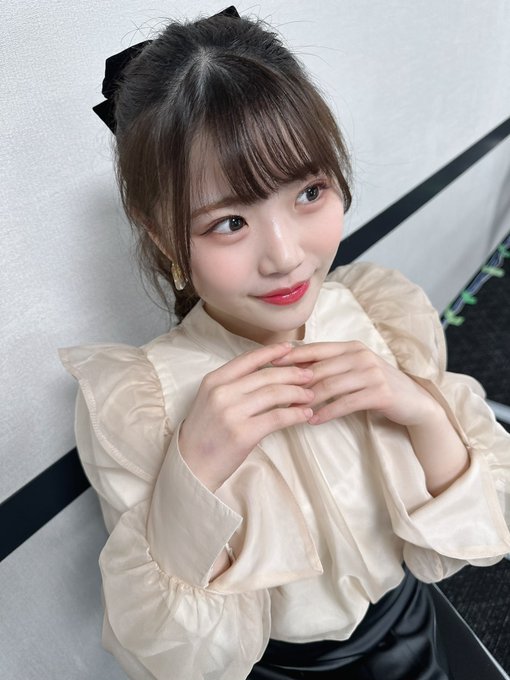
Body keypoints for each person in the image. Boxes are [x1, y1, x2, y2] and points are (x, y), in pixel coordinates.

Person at [59, 7, 510, 679]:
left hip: (412, 624)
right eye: (230, 222)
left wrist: (420, 409)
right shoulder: (141, 404)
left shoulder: (378, 314)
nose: (286, 256)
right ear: (162, 236)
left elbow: (475, 531)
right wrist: (194, 471)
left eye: (309, 192)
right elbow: (172, 655)